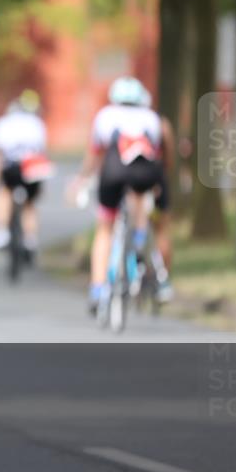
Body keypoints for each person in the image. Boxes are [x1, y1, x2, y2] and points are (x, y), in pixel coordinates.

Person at [69, 76, 173, 312]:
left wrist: (82, 179)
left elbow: (95, 154)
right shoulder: (153, 117)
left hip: (113, 171)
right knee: (152, 212)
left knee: (105, 228)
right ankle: (143, 245)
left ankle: (97, 288)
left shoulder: (105, 115)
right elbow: (162, 152)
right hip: (148, 173)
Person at [0, 89, 50, 261]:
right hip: (32, 167)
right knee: (30, 203)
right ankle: (31, 238)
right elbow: (42, 152)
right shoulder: (36, 123)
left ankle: (1, 231)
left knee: (5, 192)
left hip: (12, 167)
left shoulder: (2, 123)